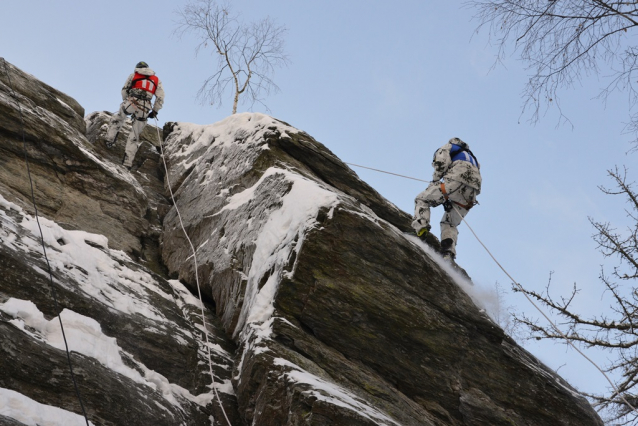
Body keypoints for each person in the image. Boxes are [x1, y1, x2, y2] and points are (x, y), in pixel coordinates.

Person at [412, 137, 481, 261]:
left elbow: (441, 163)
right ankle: (448, 251)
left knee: (422, 199)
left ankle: (421, 231)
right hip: (472, 193)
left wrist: (435, 181)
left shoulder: (449, 147)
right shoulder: (472, 158)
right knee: (450, 222)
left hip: (455, 180)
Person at [105, 61, 165, 169]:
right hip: (145, 107)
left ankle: (109, 139)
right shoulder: (156, 80)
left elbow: (124, 90)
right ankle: (128, 162)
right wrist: (155, 111)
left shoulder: (133, 75)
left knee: (119, 118)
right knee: (135, 135)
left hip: (132, 101)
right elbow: (160, 97)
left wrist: (126, 101)